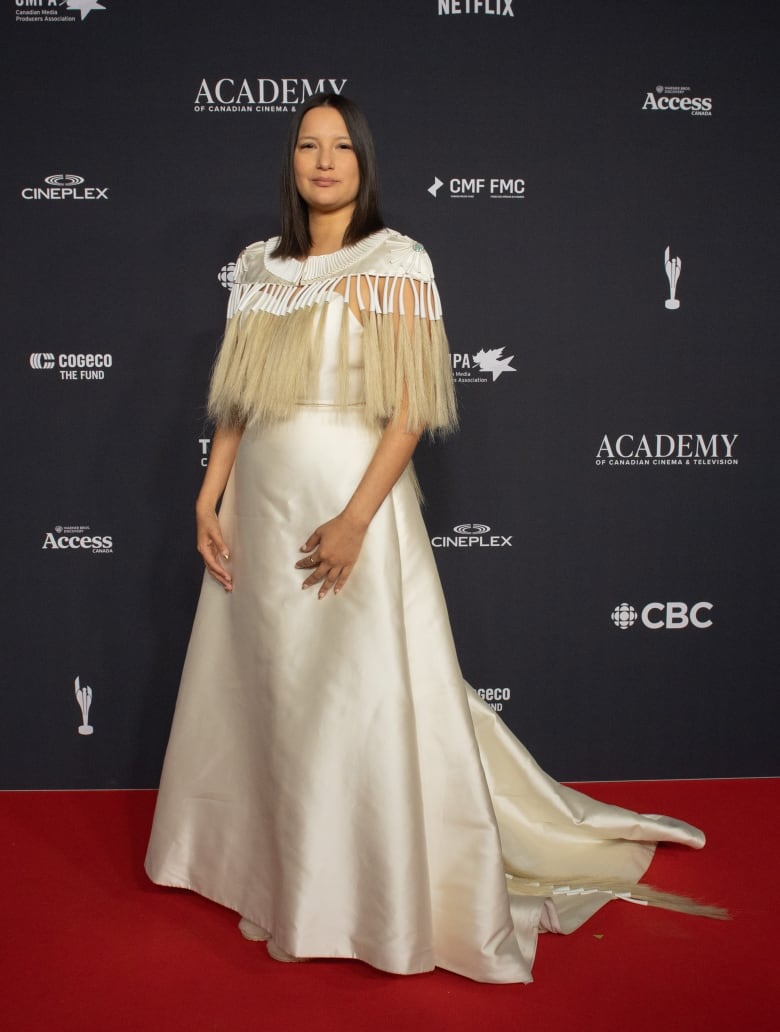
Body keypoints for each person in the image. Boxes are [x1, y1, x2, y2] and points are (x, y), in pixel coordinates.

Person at [145, 93, 718, 984]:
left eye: (341, 146)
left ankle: (366, 892)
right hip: (260, 506)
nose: (324, 161)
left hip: (350, 503)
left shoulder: (396, 260)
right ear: (290, 162)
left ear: (364, 162)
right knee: (271, 694)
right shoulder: (258, 266)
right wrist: (207, 496)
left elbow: (410, 412)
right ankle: (275, 873)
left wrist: (354, 519)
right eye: (308, 146)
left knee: (353, 697)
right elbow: (237, 399)